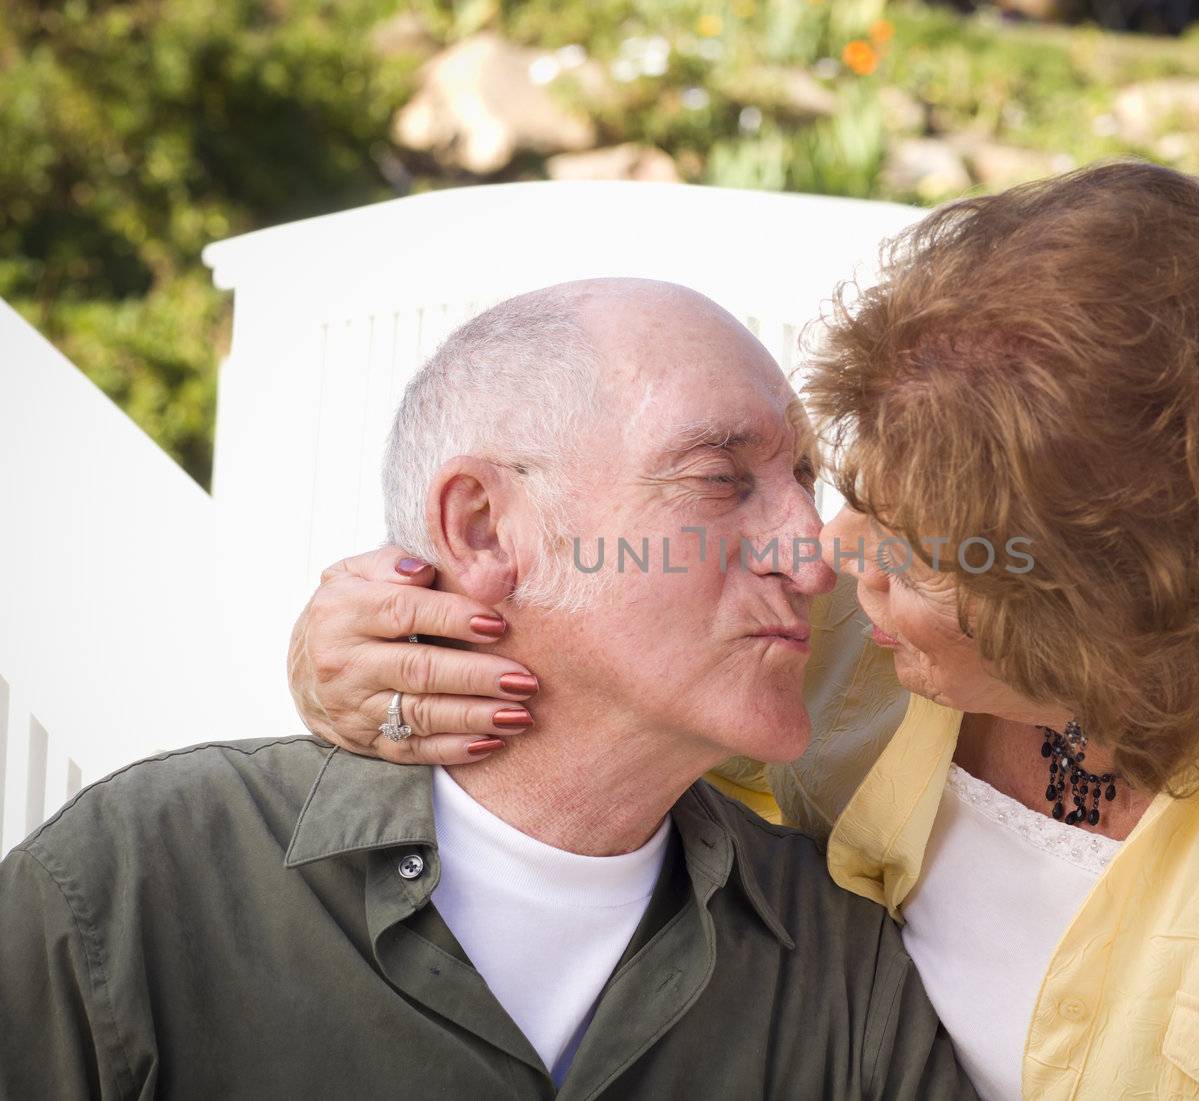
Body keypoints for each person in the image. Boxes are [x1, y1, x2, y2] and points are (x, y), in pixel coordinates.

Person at [290, 163, 1199, 1099]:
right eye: (852, 487)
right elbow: (594, 679)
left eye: (924, 555)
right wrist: (369, 656)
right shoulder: (861, 634)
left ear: (1118, 609)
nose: (823, 552)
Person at [0, 280, 975, 1100]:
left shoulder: (842, 967)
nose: (813, 555)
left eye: (802, 478)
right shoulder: (130, 888)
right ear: (481, 530)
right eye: (721, 478)